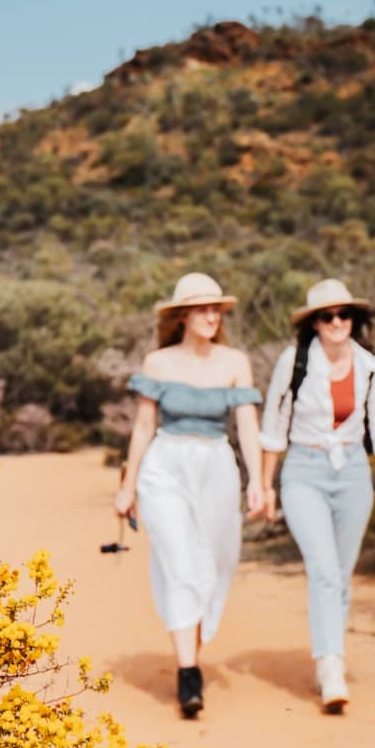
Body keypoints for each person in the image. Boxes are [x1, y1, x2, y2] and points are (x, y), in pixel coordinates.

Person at [114, 272, 263, 718]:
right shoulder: (158, 362)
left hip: (216, 465)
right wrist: (127, 486)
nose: (211, 316)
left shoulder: (235, 361)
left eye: (216, 308)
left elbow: (248, 425)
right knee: (180, 562)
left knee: (212, 564)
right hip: (165, 467)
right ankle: (188, 672)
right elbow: (143, 426)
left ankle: (191, 653)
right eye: (201, 308)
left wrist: (257, 479)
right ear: (181, 315)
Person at [259, 278, 375, 713]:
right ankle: (330, 666)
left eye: (344, 315)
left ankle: (330, 653)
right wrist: (265, 486)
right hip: (304, 471)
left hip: (354, 474)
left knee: (340, 575)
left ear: (354, 320)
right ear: (314, 324)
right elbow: (273, 427)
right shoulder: (294, 362)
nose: (337, 322)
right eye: (327, 316)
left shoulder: (371, 366)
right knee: (322, 571)